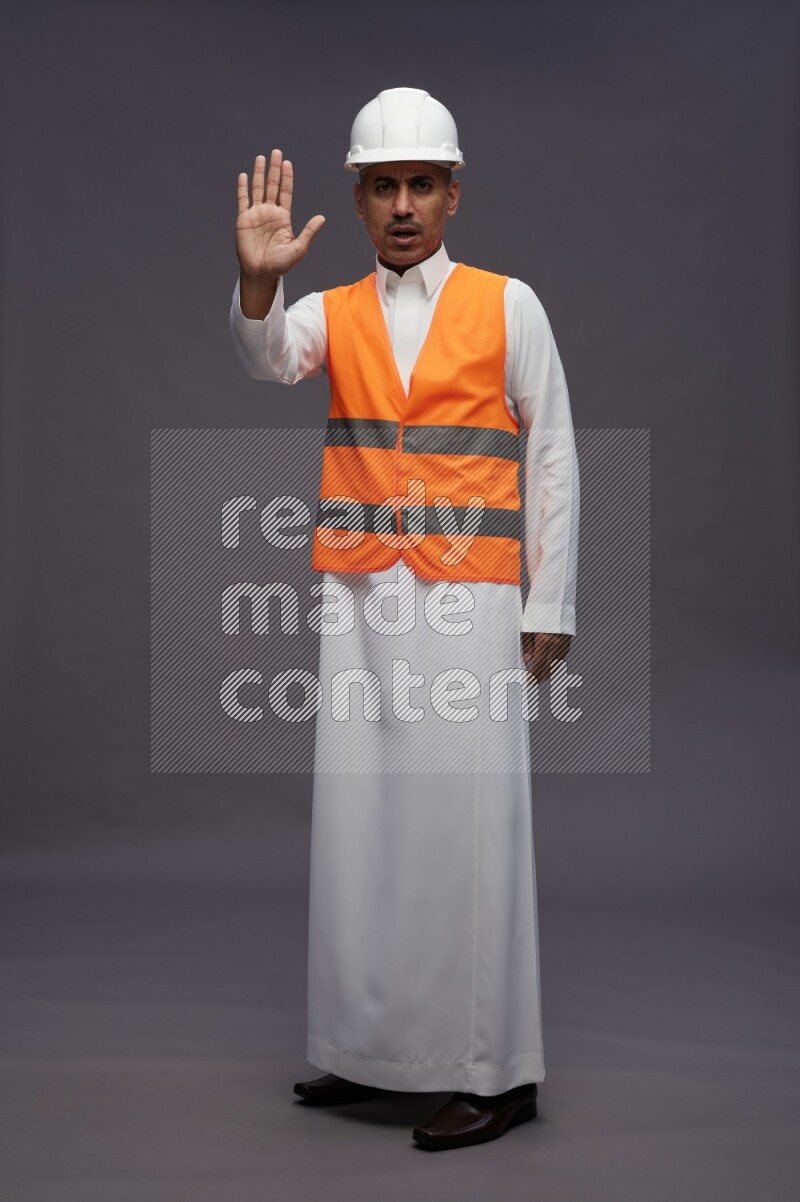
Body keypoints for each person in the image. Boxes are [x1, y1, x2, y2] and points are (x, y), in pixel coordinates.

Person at [229, 87, 579, 1151]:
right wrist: (256, 280)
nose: (402, 204)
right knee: (361, 826)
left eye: (421, 183)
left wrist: (549, 598)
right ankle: (365, 1046)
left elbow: (552, 448)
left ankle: (494, 1070)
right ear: (359, 194)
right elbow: (263, 357)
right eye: (382, 184)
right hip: (360, 597)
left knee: (466, 831)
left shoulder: (507, 304)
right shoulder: (327, 313)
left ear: (452, 195)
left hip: (471, 598)